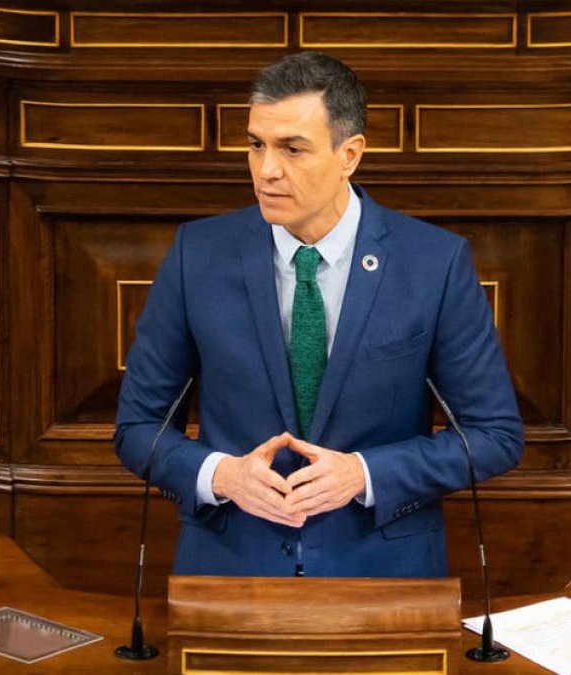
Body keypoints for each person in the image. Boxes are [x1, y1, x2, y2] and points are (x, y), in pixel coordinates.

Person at [114, 51, 522, 578]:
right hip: (231, 570)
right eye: (256, 145)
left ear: (349, 154)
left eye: (292, 149)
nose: (266, 171)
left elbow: (494, 436)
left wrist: (363, 474)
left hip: (382, 572)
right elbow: (137, 427)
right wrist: (221, 476)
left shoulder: (434, 263)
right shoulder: (198, 254)